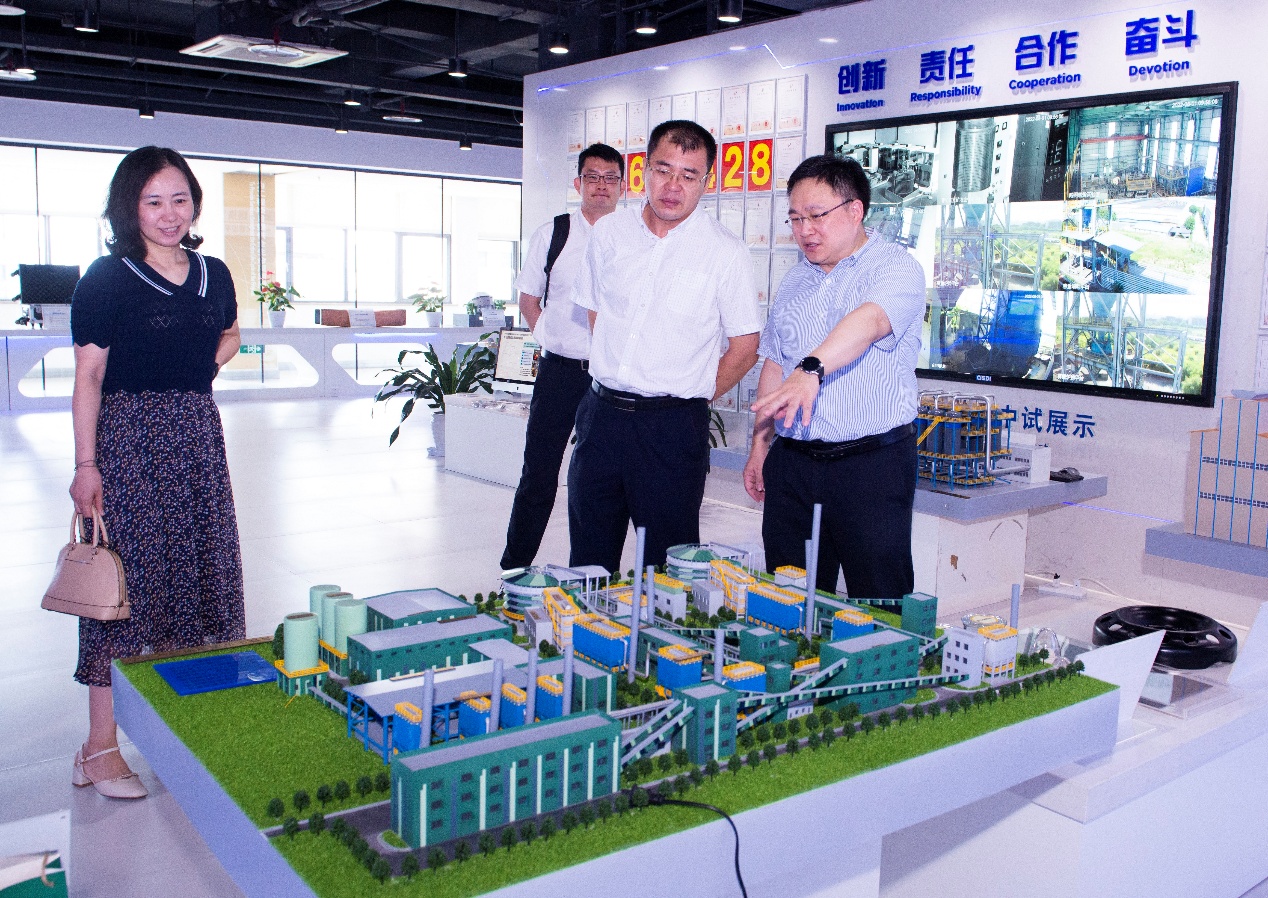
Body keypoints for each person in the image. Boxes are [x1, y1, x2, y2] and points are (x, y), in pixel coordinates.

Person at [68, 146, 246, 798]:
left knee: (200, 579)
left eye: (179, 200)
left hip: (197, 438)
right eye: (154, 202)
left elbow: (230, 333)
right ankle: (99, 748)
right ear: (130, 207)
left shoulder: (214, 272)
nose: (170, 214)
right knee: (125, 593)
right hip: (130, 443)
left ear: (194, 204)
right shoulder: (107, 278)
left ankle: (187, 732)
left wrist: (201, 366)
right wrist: (86, 465)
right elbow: (88, 376)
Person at [569, 120, 761, 575]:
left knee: (669, 571)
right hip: (600, 420)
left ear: (707, 182)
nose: (673, 186)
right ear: (643, 171)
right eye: (663, 170)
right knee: (588, 562)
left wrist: (691, 394)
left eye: (689, 175)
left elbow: (746, 345)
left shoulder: (724, 251)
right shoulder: (609, 234)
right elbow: (596, 313)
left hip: (672, 430)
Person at [744, 154, 927, 599]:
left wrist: (811, 368)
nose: (805, 230)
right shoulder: (795, 282)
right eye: (795, 219)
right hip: (793, 463)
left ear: (855, 209)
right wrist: (760, 444)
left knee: (878, 598)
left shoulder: (894, 267)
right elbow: (775, 363)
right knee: (788, 595)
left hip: (870, 466)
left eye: (816, 215)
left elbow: (869, 322)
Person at [500, 144, 625, 571]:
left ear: (622, 186)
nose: (601, 186)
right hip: (561, 372)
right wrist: (549, 337)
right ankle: (514, 569)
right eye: (593, 177)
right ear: (578, 183)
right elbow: (529, 299)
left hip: (610, 379)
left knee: (596, 482)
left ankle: (588, 575)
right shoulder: (553, 233)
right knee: (538, 474)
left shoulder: (633, 237)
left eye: (610, 178)